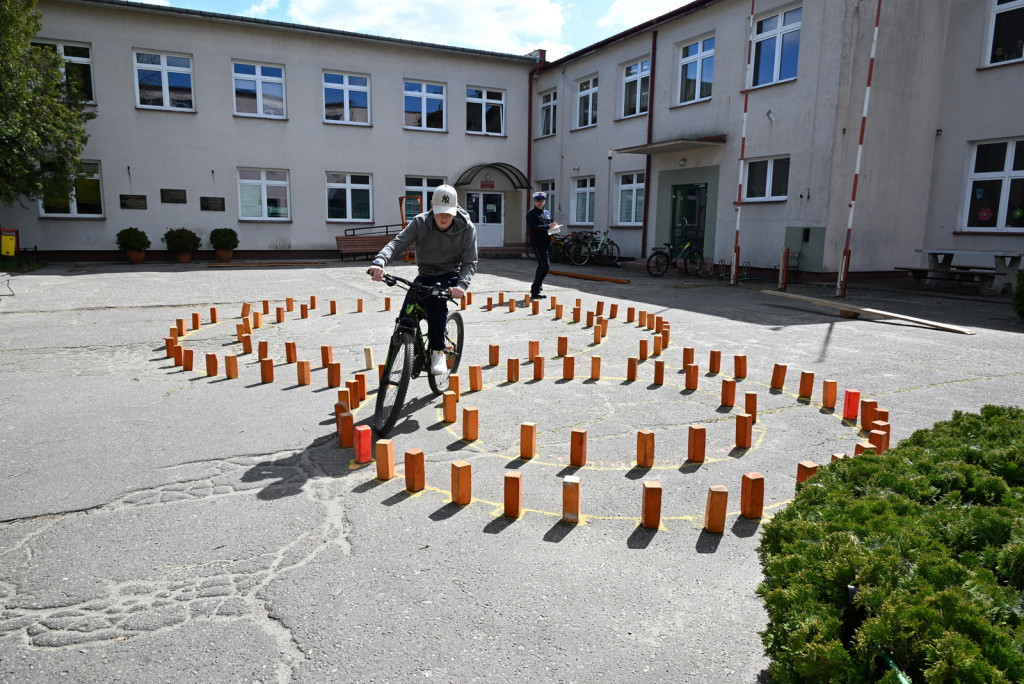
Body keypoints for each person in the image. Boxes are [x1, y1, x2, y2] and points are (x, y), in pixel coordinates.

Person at [369, 185, 478, 375]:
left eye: (448, 213)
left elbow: (469, 261)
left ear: (455, 209)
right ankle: (410, 349)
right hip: (425, 274)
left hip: (448, 273)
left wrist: (461, 285)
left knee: (436, 302)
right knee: (406, 316)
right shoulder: (420, 223)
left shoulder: (467, 228)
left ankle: (437, 351)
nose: (444, 217)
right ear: (432, 207)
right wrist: (380, 262)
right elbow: (398, 243)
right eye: (439, 212)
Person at [526, 191, 559, 299]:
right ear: (534, 202)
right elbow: (534, 228)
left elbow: (550, 226)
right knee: (545, 266)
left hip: (546, 242)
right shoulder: (531, 214)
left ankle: (536, 289)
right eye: (537, 201)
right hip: (537, 243)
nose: (540, 203)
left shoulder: (547, 213)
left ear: (544, 202)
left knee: (542, 265)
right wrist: (548, 226)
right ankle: (535, 289)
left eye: (542, 201)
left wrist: (554, 228)